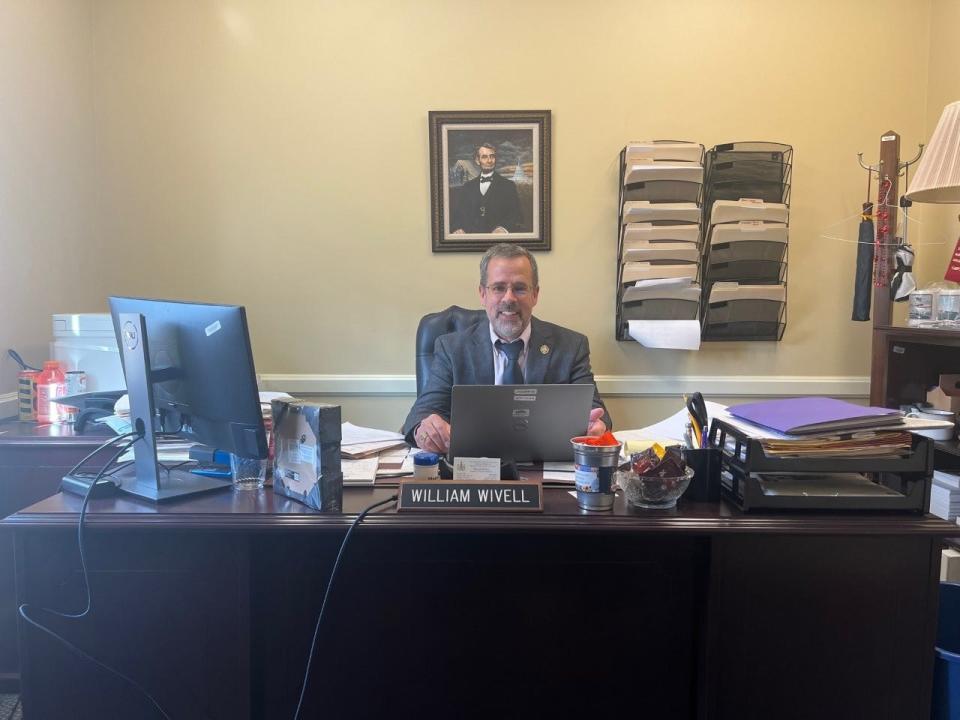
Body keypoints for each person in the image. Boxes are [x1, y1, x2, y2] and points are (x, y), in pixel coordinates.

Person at [403, 243, 611, 453]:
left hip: (545, 467)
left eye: (520, 288)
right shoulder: (452, 348)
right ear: (483, 294)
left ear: (535, 295)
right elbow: (421, 415)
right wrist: (425, 430)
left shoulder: (571, 346)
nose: (509, 298)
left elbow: (597, 414)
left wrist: (596, 428)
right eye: (498, 288)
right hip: (474, 469)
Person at [450, 143, 523, 234]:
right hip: (471, 242)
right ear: (477, 160)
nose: (489, 160)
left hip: (498, 242)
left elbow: (516, 215)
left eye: (492, 156)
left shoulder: (508, 186)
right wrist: (458, 228)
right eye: (484, 157)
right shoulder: (467, 187)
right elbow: (457, 216)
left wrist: (503, 229)